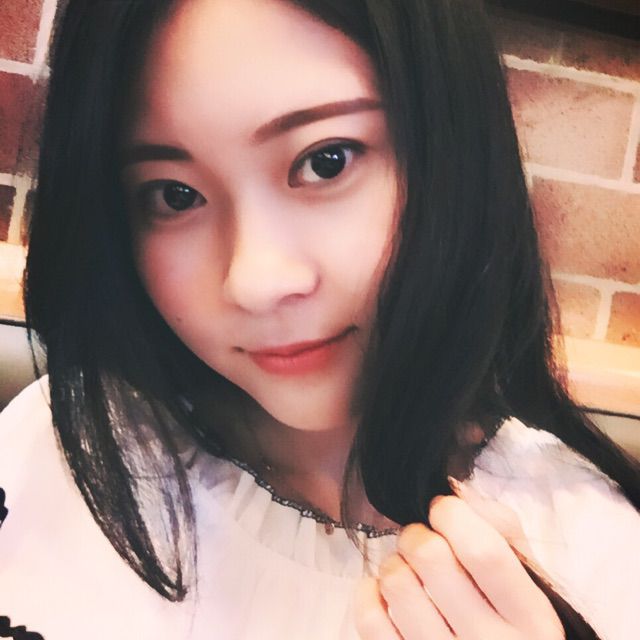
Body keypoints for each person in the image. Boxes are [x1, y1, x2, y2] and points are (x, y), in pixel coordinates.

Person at [0, 0, 638, 638]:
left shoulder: (593, 549)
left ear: (456, 154)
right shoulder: (65, 449)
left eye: (326, 161)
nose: (254, 282)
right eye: (175, 195)